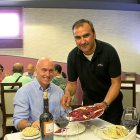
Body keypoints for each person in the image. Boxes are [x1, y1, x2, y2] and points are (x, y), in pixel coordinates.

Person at [60, 19, 123, 125]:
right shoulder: (72, 56)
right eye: (78, 37)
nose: (82, 41)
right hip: (89, 103)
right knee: (89, 134)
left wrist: (105, 103)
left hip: (111, 103)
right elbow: (71, 83)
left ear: (94, 34)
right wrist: (67, 93)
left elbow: (116, 83)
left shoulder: (109, 52)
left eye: (86, 36)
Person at [13, 57, 64, 130]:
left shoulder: (59, 91)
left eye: (51, 71)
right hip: (35, 135)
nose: (48, 74)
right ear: (36, 70)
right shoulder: (24, 92)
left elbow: (65, 114)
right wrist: (31, 124)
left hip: (56, 134)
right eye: (44, 70)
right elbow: (18, 121)